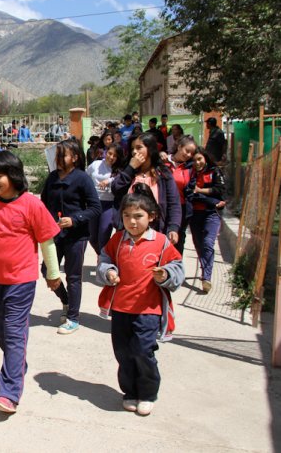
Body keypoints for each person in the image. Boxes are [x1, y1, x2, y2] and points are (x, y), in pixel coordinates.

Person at [0, 150, 61, 414]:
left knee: (15, 333)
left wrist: (53, 273)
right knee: (3, 332)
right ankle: (17, 364)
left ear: (14, 175)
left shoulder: (32, 204)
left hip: (22, 281)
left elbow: (47, 241)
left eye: (0, 176)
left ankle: (9, 392)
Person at [97, 184, 185, 417]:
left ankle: (147, 393)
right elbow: (104, 259)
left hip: (149, 309)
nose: (132, 222)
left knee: (142, 350)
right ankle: (130, 392)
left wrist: (165, 275)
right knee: (123, 352)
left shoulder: (161, 242)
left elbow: (177, 267)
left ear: (152, 217)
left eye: (138, 216)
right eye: (127, 216)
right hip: (121, 308)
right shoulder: (118, 240)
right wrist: (109, 272)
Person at [41, 139, 101, 334]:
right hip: (54, 235)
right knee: (47, 271)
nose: (57, 158)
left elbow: (95, 208)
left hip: (76, 236)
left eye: (62, 154)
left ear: (74, 158)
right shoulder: (51, 178)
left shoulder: (82, 178)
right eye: (56, 154)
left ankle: (73, 318)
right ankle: (66, 301)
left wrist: (75, 219)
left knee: (73, 277)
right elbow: (42, 205)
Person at [112, 133, 182, 245]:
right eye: (132, 149)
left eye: (139, 147)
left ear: (150, 149)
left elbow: (174, 203)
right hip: (128, 232)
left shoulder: (163, 174)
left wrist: (173, 227)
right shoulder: (128, 171)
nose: (134, 152)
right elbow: (116, 188)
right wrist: (130, 169)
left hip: (156, 232)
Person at [186, 147, 226, 294]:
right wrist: (209, 199)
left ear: (205, 158)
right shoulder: (190, 173)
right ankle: (205, 272)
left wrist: (200, 191)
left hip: (211, 214)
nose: (197, 162)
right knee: (199, 246)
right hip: (195, 214)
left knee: (208, 243)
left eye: (199, 159)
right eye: (194, 160)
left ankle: (206, 278)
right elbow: (189, 192)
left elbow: (220, 190)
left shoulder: (214, 171)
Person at [87, 144, 124, 255]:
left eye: (115, 156)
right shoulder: (95, 164)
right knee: (92, 237)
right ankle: (102, 256)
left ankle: (103, 260)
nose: (111, 157)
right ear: (105, 152)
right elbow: (85, 178)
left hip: (109, 205)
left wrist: (110, 180)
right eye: (110, 153)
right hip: (94, 204)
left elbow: (123, 178)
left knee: (103, 235)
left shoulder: (119, 169)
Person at [163, 136, 197, 254]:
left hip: (181, 210)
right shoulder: (163, 162)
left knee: (177, 242)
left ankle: (175, 268)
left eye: (191, 153)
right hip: (162, 207)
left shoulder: (190, 168)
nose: (188, 155)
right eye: (187, 151)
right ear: (179, 147)